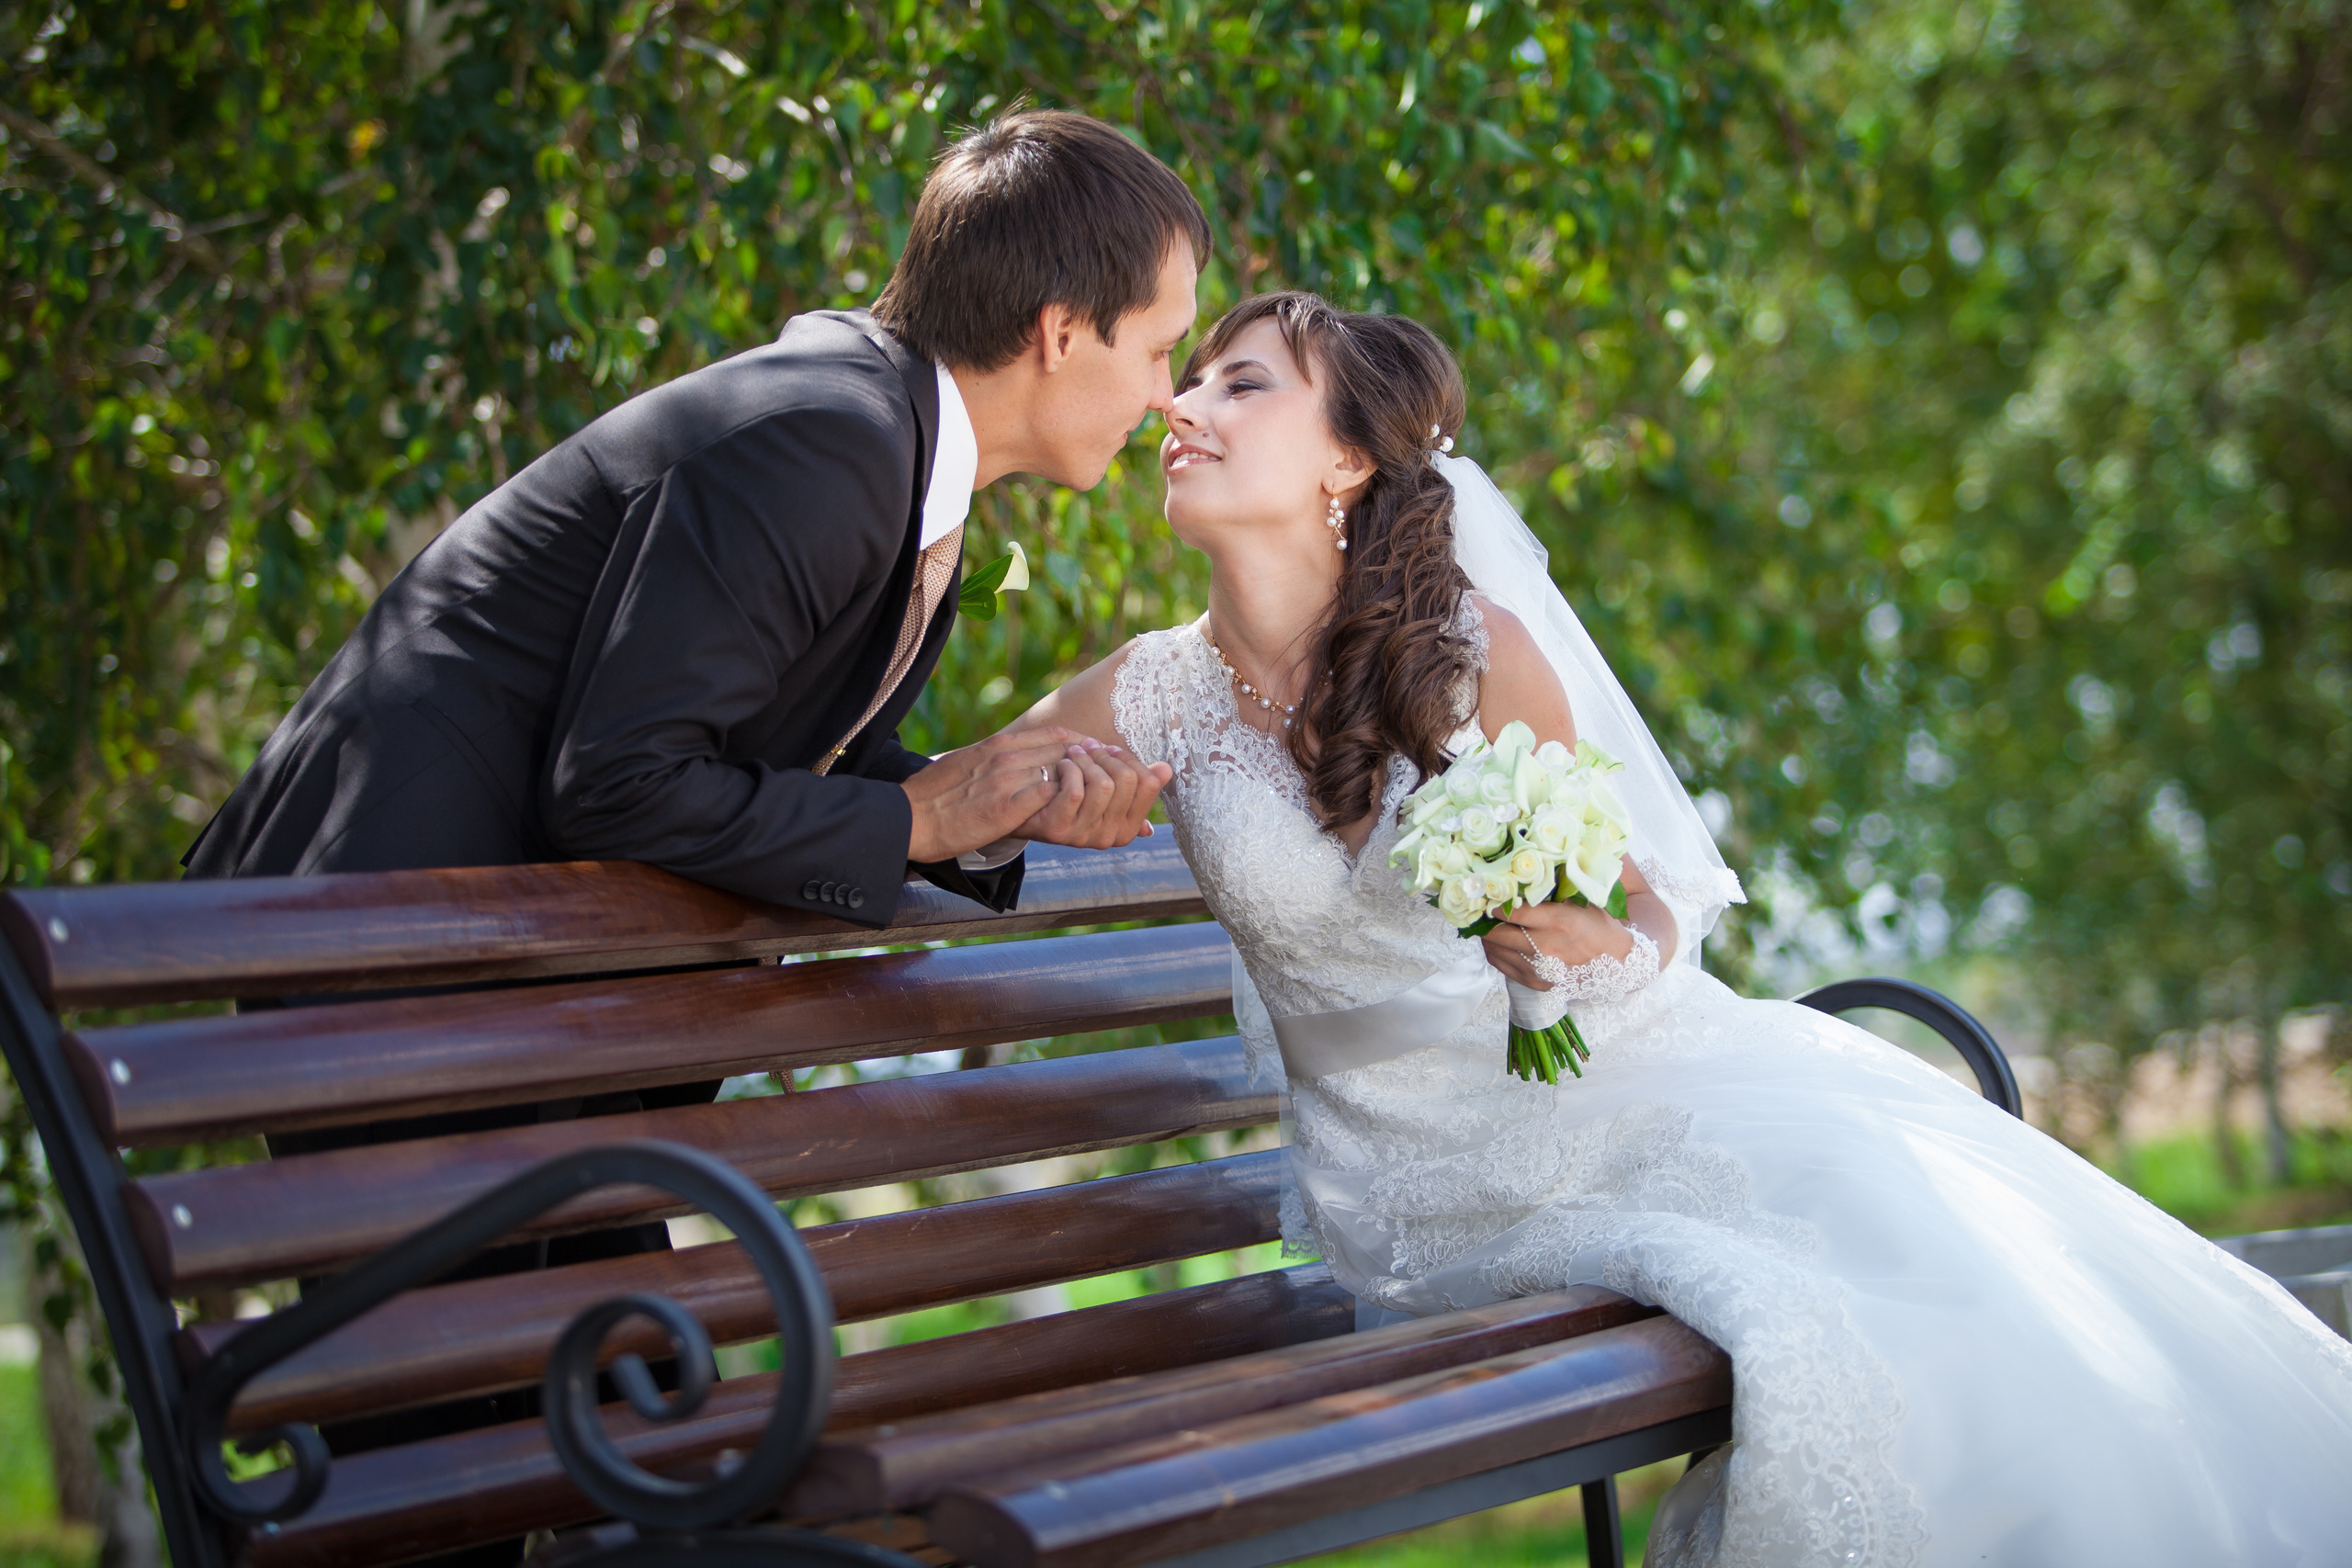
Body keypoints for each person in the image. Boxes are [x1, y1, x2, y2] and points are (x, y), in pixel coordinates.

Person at [1016, 290, 2352, 1565]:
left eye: (1239, 381)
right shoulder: (1152, 692)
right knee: (1859, 1237)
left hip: (1617, 1079)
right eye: (1187, 376)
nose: (1184, 403)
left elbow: (1644, 896)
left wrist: (1596, 944)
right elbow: (948, 795)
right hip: (1416, 1184)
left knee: (1916, 1236)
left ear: (1348, 461)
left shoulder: (1469, 651)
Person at [184, 107, 1193, 915]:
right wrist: (912, 822)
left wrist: (988, 798)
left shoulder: (881, 433)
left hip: (474, 926)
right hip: (395, 898)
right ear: (1060, 331)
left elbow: (747, 735)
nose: (1165, 396)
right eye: (1158, 350)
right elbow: (621, 782)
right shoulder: (824, 446)